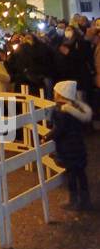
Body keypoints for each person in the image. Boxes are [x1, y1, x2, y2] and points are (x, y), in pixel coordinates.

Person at [49, 80, 92, 212]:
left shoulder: (60, 111)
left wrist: (48, 136)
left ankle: (73, 199)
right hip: (78, 147)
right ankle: (85, 199)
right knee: (81, 173)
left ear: (60, 94)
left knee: (71, 175)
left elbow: (59, 129)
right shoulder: (76, 109)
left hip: (68, 149)